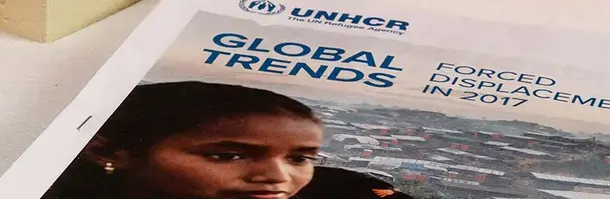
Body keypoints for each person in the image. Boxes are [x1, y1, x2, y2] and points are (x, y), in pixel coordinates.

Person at [43, 80, 415, 199]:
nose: (278, 178)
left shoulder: (348, 193)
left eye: (301, 159)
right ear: (111, 152)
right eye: (228, 156)